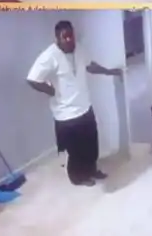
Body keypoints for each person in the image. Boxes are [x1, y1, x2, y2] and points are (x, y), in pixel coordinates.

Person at [25, 20, 122, 186]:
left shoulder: (80, 50)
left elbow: (90, 66)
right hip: (66, 114)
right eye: (65, 37)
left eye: (71, 35)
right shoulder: (49, 56)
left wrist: (110, 72)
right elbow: (32, 79)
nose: (69, 40)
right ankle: (78, 177)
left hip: (84, 107)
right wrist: (50, 91)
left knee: (91, 144)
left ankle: (91, 170)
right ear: (57, 38)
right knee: (75, 150)